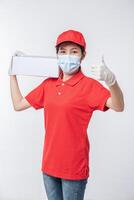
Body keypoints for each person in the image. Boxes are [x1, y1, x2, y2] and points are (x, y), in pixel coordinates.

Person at [9, 29, 124, 200]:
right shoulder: (49, 84)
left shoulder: (89, 86)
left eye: (74, 51)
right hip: (49, 166)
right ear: (57, 55)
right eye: (62, 52)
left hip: (74, 168)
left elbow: (118, 106)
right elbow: (18, 105)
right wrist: (13, 72)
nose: (67, 56)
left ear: (82, 55)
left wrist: (111, 81)